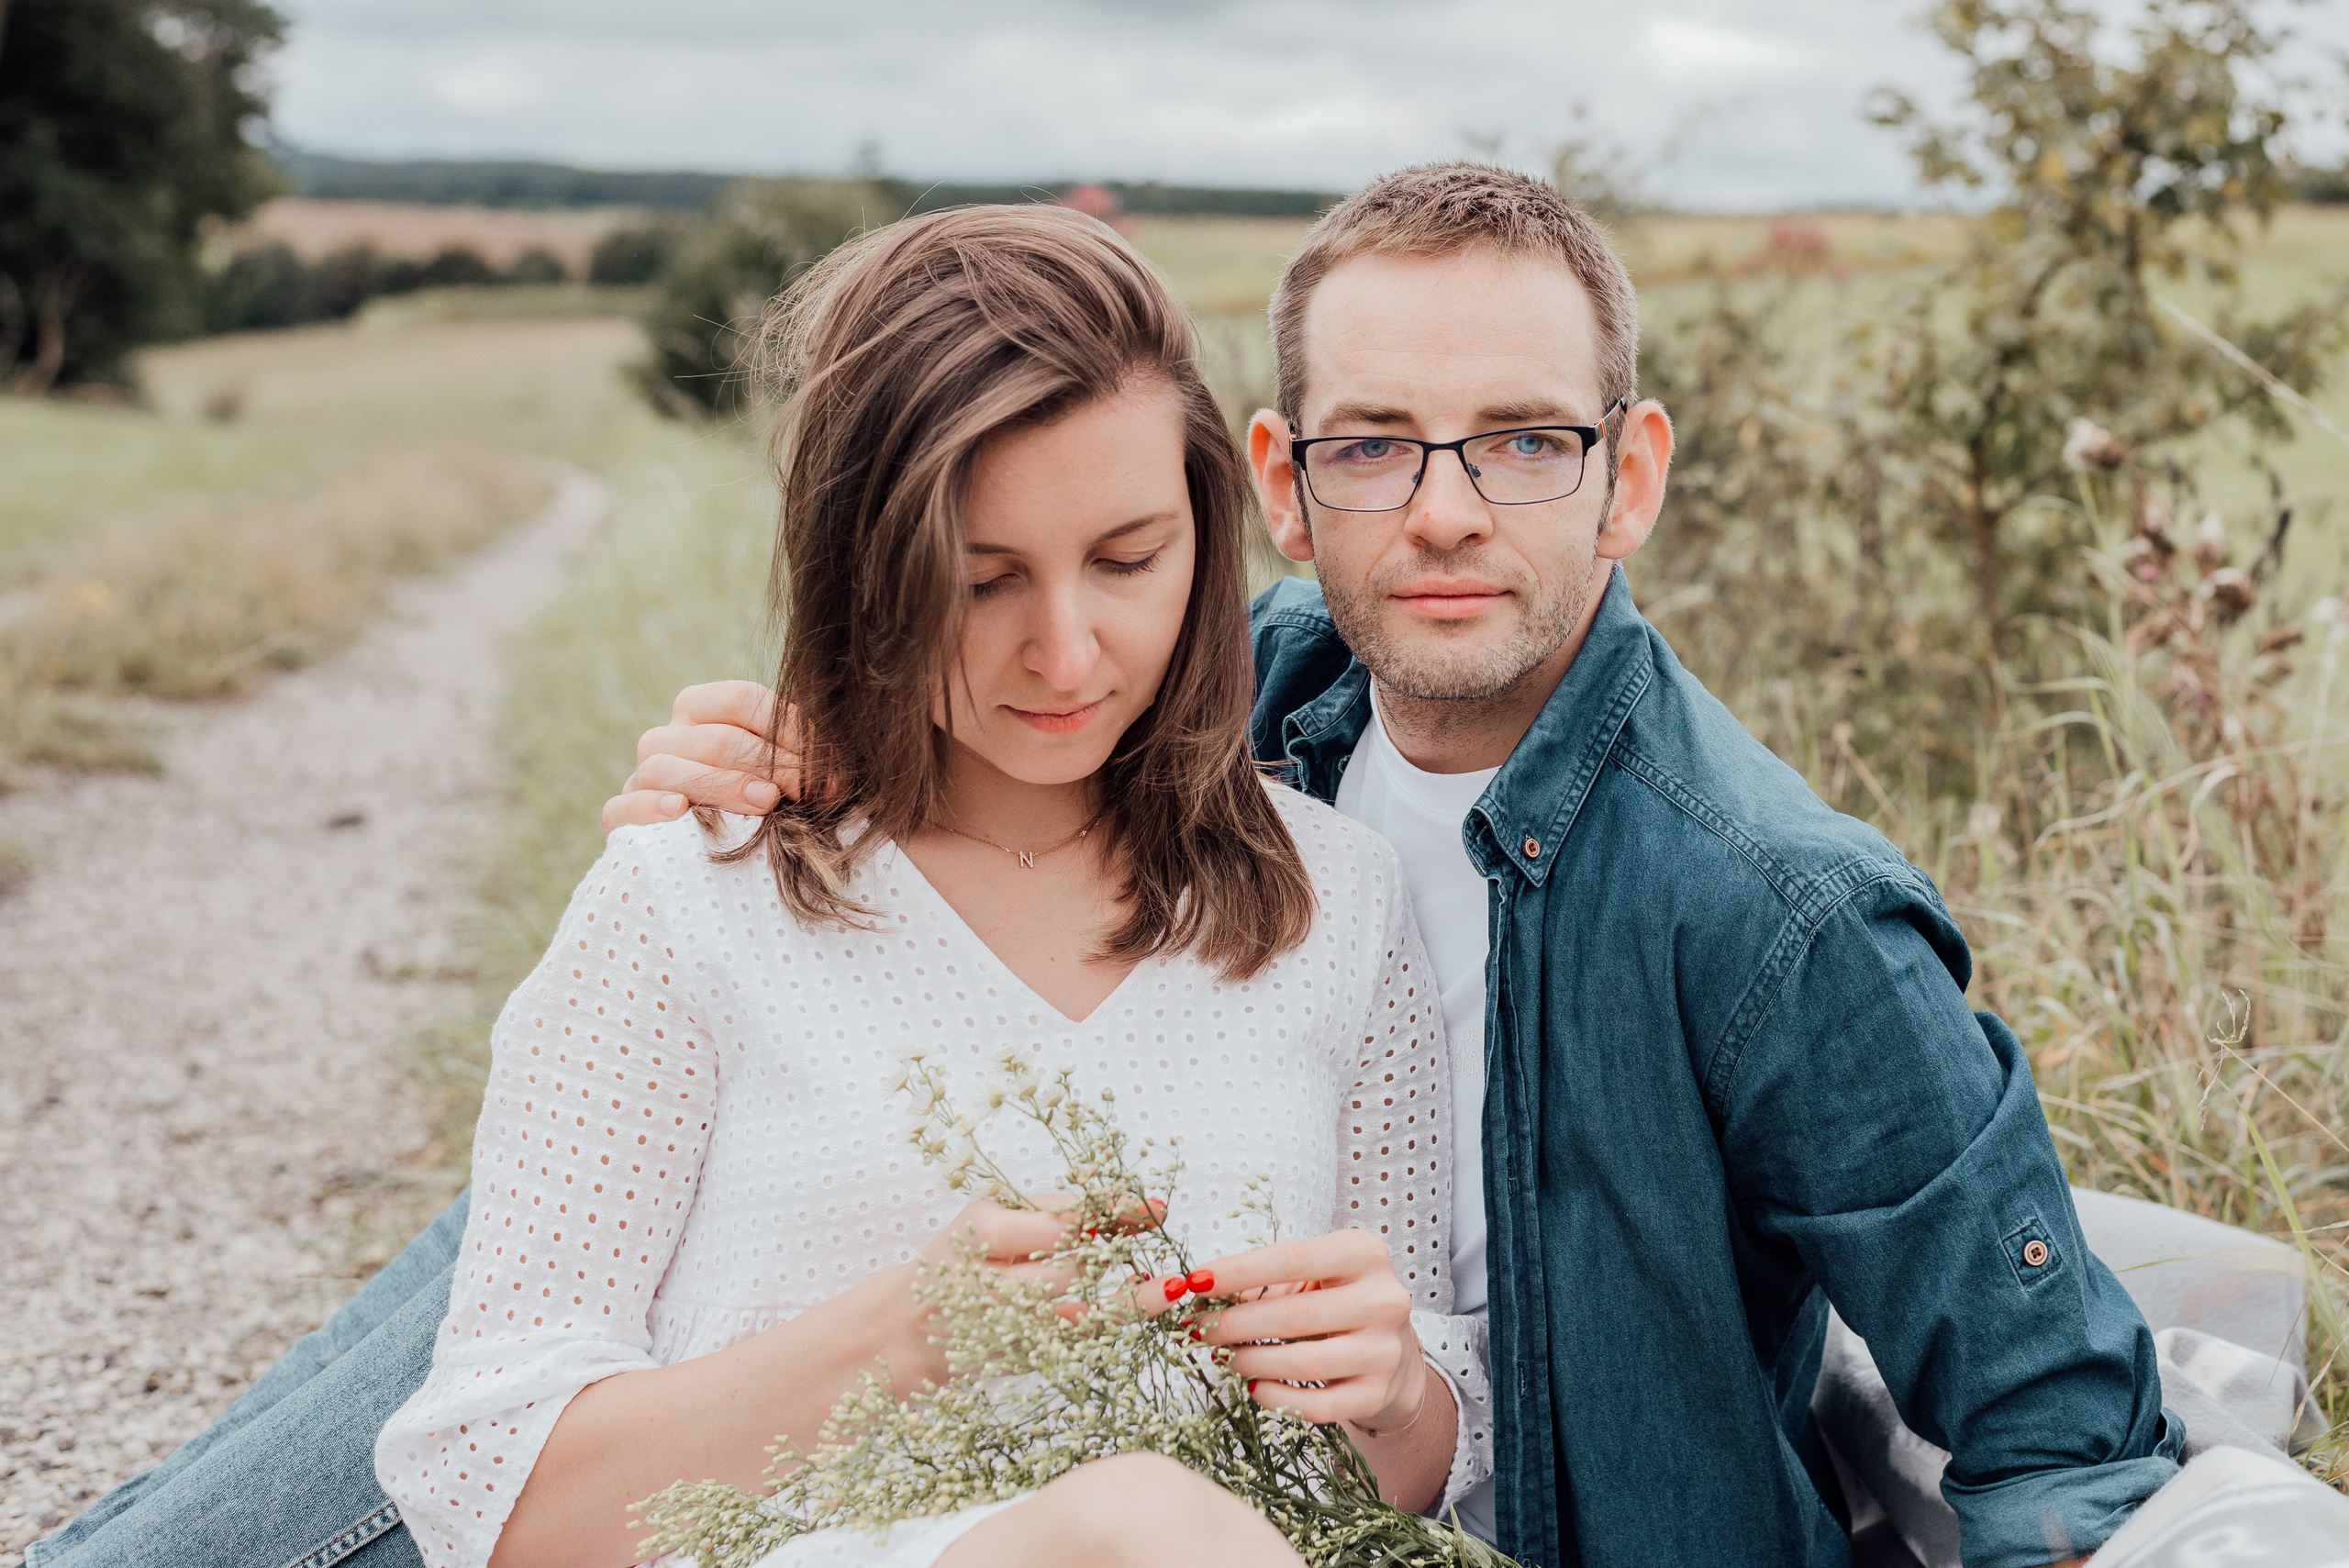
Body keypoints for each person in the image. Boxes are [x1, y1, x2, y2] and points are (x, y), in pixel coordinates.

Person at [607, 163, 2185, 1568]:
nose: (1442, 514)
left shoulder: (1786, 918)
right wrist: (783, 754)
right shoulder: (1230, 703)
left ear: (1629, 476)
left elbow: (2066, 1444)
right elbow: (992, 660)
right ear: (1283, 485)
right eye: (1372, 447)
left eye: (1524, 441)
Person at [30, 207, 1492, 1568]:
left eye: (1127, 559)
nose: (1065, 651)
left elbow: (1409, 1474)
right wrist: (893, 1342)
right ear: (864, 564)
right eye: (983, 578)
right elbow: (492, 1495)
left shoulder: (1337, 906)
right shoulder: (693, 897)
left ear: (1207, 533)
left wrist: (1394, 1390)